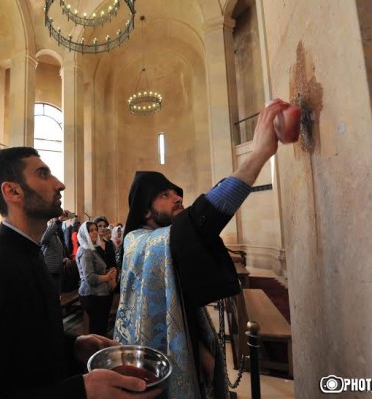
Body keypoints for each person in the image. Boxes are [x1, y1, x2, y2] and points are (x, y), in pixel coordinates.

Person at [0, 147, 160, 399]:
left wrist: (72, 346)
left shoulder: (28, 252)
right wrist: (80, 390)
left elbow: (20, 342)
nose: (60, 184)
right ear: (13, 191)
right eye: (43, 174)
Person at [114, 99, 290, 399]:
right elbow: (199, 223)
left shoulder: (158, 242)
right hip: (148, 366)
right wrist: (259, 154)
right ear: (146, 212)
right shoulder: (137, 241)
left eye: (177, 193)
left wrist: (197, 349)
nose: (178, 199)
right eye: (165, 195)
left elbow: (171, 299)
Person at [76, 221, 117, 336]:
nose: (95, 232)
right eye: (91, 230)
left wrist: (111, 273)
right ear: (84, 233)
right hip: (93, 295)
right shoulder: (86, 251)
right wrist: (107, 276)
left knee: (100, 328)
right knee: (97, 331)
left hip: (100, 293)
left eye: (95, 229)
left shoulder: (91, 248)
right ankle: (96, 352)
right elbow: (89, 278)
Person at [41, 212, 72, 292]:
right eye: (53, 219)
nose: (56, 222)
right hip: (49, 272)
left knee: (56, 296)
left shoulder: (56, 235)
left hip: (57, 271)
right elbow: (44, 239)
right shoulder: (45, 233)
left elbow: (56, 252)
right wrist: (58, 220)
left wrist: (64, 259)